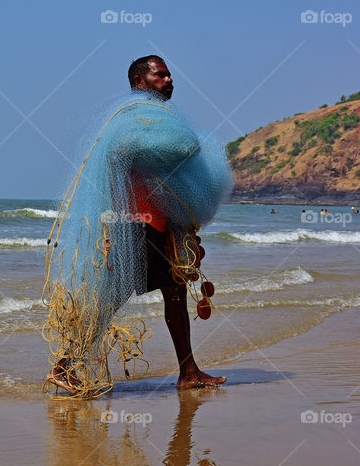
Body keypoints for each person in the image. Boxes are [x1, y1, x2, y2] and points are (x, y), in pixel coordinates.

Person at [46, 55, 227, 393]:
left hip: (157, 224)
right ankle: (67, 365)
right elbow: (121, 155)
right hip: (135, 225)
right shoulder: (131, 118)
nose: (170, 80)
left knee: (174, 293)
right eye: (161, 75)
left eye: (171, 75)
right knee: (113, 297)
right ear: (141, 81)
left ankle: (188, 372)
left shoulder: (160, 119)